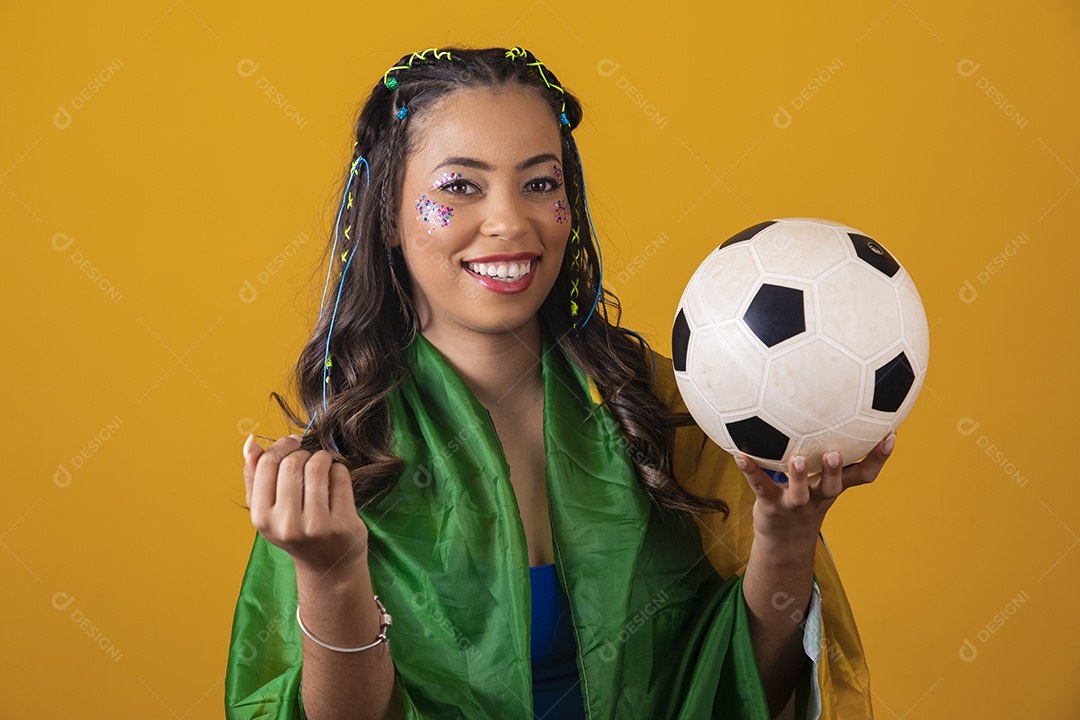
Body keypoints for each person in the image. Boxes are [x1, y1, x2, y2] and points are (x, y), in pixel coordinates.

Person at [225, 46, 887, 720]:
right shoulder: (341, 467)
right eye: (460, 186)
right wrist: (333, 576)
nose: (512, 222)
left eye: (541, 183)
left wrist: (787, 534)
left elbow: (747, 689)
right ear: (388, 216)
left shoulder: (668, 409)